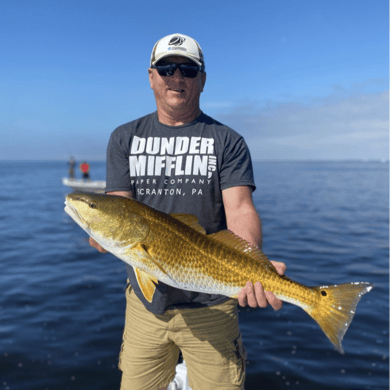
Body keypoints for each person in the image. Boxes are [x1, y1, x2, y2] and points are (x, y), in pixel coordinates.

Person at [89, 33, 286, 390]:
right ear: (151, 76)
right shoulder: (124, 138)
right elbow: (119, 210)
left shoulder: (227, 140)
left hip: (213, 306)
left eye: (188, 70)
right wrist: (101, 234)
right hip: (145, 306)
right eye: (166, 68)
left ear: (203, 79)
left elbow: (240, 209)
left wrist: (256, 263)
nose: (176, 77)